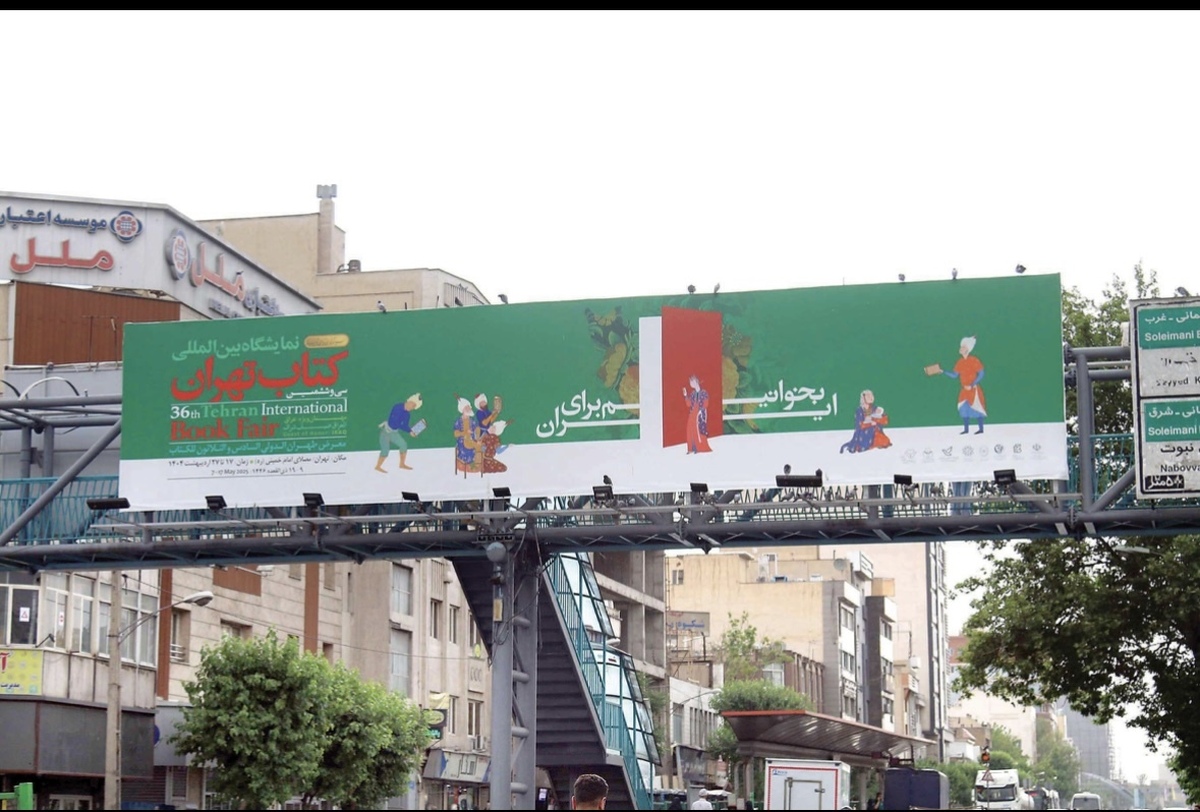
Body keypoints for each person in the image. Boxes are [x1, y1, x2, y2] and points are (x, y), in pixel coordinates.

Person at [928, 335, 986, 434]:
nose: (960, 348)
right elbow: (955, 375)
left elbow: (981, 374)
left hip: (973, 389)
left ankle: (981, 429)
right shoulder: (960, 362)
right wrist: (943, 371)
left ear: (967, 349)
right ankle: (966, 430)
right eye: (961, 347)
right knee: (964, 408)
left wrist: (972, 384)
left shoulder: (974, 360)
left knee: (977, 408)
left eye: (963, 347)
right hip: (964, 390)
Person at [376, 393, 423, 472]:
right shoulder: (397, 407)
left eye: (414, 407)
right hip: (386, 432)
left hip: (394, 433)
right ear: (409, 401)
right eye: (412, 405)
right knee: (385, 451)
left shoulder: (407, 415)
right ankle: (378, 466)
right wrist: (410, 431)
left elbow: (404, 425)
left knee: (403, 445)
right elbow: (395, 423)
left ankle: (402, 464)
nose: (412, 408)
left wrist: (411, 431)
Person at [839, 389, 891, 453]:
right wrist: (870, 423)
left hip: (875, 432)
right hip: (864, 433)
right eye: (868, 396)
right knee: (864, 444)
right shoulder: (859, 410)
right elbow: (859, 425)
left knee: (884, 442)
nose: (871, 398)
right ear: (863, 398)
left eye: (871, 396)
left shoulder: (875, 408)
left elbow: (885, 420)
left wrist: (877, 420)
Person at [683, 374, 713, 454]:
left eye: (691, 381)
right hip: (692, 413)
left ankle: (699, 447)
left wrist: (701, 411)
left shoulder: (704, 392)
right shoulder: (692, 393)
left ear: (696, 381)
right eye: (690, 382)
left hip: (700, 414)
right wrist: (685, 396)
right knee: (690, 429)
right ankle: (691, 448)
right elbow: (689, 404)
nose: (690, 384)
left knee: (698, 430)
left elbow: (706, 403)